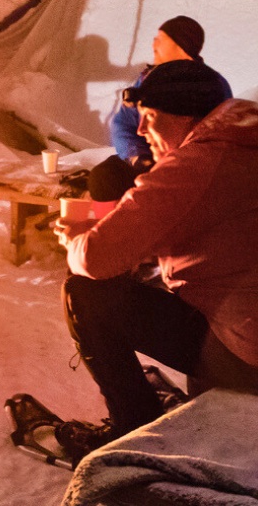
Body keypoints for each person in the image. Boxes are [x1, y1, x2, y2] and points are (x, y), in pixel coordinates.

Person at [54, 59, 255, 463]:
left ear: (184, 116)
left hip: (246, 352)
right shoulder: (243, 141)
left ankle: (132, 424)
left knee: (87, 292)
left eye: (149, 117)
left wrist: (76, 237)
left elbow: (95, 258)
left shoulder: (197, 163)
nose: (142, 131)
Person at [90, 15, 231, 201]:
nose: (154, 43)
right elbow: (123, 124)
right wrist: (138, 157)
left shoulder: (210, 85)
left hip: (191, 166)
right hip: (150, 159)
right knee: (105, 177)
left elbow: (220, 135)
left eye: (161, 38)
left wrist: (178, 162)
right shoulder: (147, 80)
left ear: (180, 45)